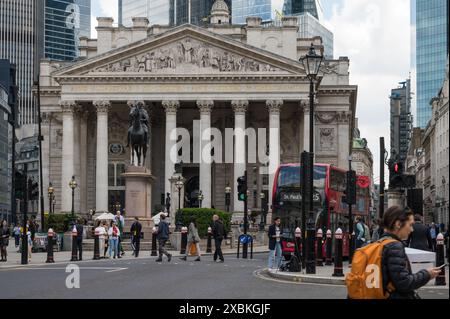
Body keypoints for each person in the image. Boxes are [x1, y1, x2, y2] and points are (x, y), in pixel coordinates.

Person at [379, 206, 441, 299]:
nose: (412, 229)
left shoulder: (379, 243)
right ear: (398, 224)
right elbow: (404, 283)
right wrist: (427, 274)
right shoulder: (394, 247)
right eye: (410, 225)